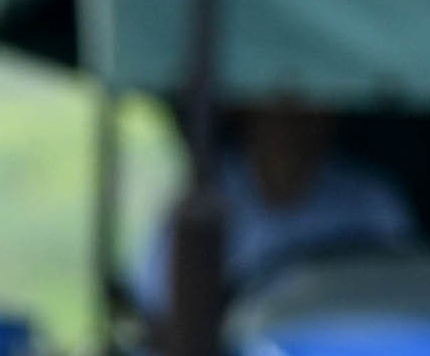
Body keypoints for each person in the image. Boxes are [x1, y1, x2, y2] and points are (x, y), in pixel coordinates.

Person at [161, 96, 416, 310]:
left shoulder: (372, 198)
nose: (293, 125)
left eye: (309, 107)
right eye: (281, 108)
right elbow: (159, 313)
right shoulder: (205, 193)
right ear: (246, 112)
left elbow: (405, 300)